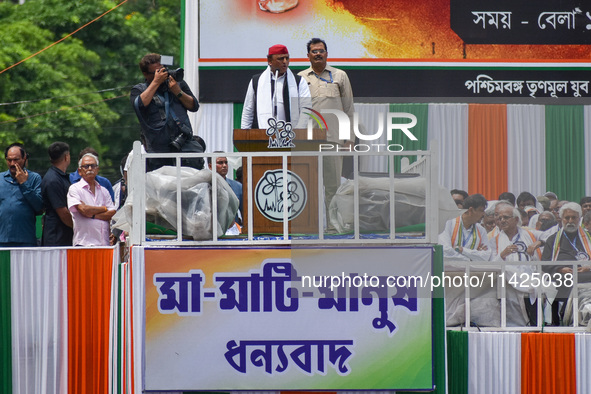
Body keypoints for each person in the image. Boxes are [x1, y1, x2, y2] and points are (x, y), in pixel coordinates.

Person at [298, 38, 355, 231]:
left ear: (327, 54)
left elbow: (349, 109)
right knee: (308, 187)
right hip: (306, 143)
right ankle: (309, 226)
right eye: (314, 51)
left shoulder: (340, 76)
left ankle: (332, 227)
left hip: (333, 140)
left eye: (321, 51)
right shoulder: (299, 78)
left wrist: (349, 139)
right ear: (308, 56)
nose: (318, 54)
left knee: (332, 187)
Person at [130, 53, 200, 171]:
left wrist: (178, 92)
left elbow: (194, 106)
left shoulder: (177, 84)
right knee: (163, 187)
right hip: (158, 151)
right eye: (158, 72)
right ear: (145, 74)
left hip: (183, 145)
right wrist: (156, 82)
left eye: (164, 70)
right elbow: (140, 104)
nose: (163, 74)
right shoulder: (139, 89)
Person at [541, 202, 591, 324]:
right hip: (562, 278)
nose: (570, 221)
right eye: (567, 218)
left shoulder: (589, 237)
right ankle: (567, 316)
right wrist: (559, 268)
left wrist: (588, 266)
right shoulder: (553, 239)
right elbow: (544, 263)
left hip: (586, 277)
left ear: (579, 219)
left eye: (573, 218)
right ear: (561, 219)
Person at [241, 44, 310, 130]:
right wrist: (244, 135)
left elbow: (306, 109)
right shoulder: (256, 81)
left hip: (291, 136)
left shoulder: (299, 81)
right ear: (269, 61)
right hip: (263, 137)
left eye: (287, 58)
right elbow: (248, 110)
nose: (285, 61)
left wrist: (299, 132)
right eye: (280, 59)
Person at [67, 153, 116, 246]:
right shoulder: (74, 189)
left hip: (104, 244)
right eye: (86, 166)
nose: (90, 169)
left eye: (93, 166)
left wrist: (92, 215)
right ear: (80, 171)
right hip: (83, 243)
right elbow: (83, 210)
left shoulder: (104, 191)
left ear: (97, 169)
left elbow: (112, 213)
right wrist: (104, 209)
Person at [0, 143, 43, 247]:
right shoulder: (1, 179)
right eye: (9, 160)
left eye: (16, 160)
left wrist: (24, 184)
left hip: (25, 239)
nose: (12, 163)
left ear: (24, 159)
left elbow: (39, 207)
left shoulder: (34, 178)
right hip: (2, 239)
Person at [439, 193, 491, 261]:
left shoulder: (481, 230)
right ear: (471, 210)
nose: (484, 214)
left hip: (472, 271)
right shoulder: (448, 223)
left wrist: (463, 250)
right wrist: (472, 258)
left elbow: (486, 257)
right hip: (450, 270)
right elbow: (445, 252)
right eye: (481, 210)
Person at [41, 142, 73, 246]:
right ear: (66, 157)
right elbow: (63, 213)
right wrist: (79, 228)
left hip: (63, 233)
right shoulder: (53, 179)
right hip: (56, 236)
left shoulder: (60, 177)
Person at [209, 154, 243, 220]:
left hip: (232, 228)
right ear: (210, 166)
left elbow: (245, 212)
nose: (224, 165)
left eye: (226, 162)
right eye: (220, 163)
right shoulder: (204, 186)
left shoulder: (237, 187)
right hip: (211, 228)